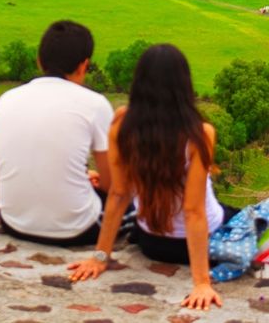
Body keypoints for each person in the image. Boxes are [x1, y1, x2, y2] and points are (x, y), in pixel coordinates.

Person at [68, 44, 233, 311]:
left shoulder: (123, 122)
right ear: (184, 85)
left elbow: (120, 193)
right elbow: (193, 211)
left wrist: (100, 257)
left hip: (150, 242)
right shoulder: (199, 134)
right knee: (249, 216)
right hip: (194, 245)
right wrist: (201, 282)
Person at [0, 20, 114, 246]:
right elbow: (112, 185)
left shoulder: (6, 99)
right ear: (83, 65)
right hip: (77, 230)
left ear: (39, 61)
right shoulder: (95, 104)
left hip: (12, 222)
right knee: (129, 202)